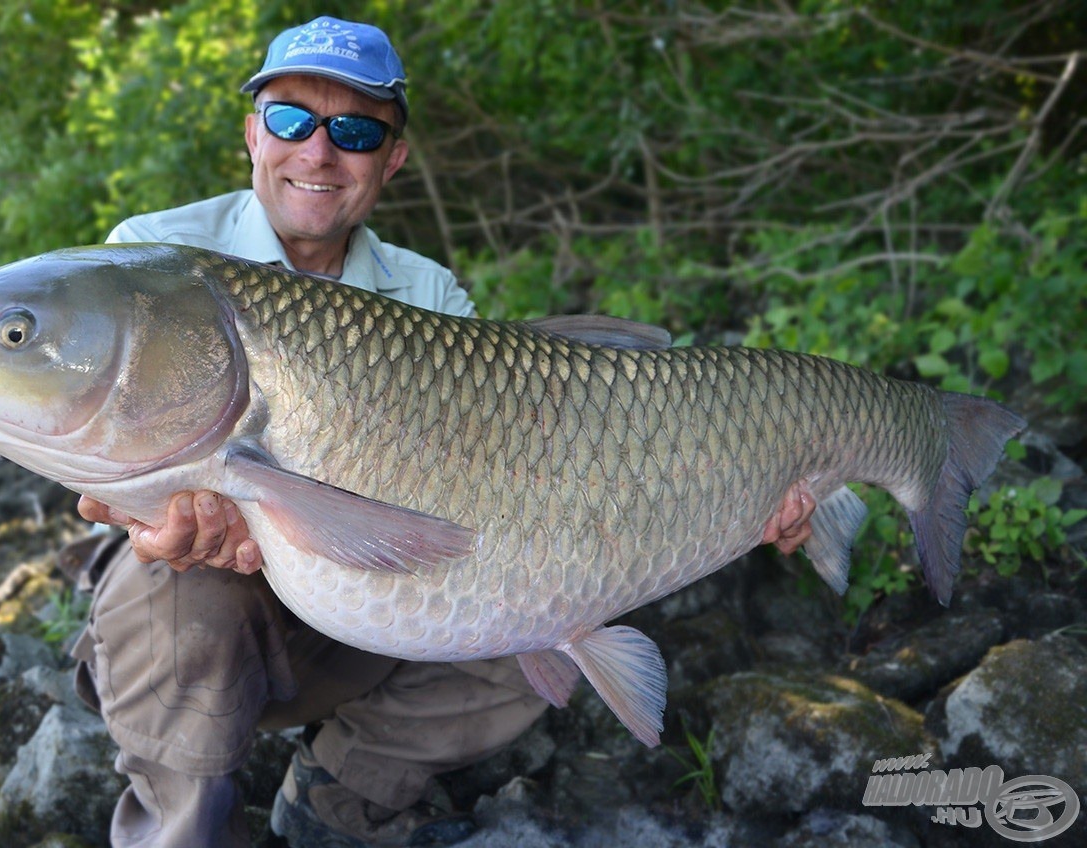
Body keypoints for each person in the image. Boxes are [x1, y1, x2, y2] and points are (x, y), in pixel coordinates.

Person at [71, 16, 816, 848]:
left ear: (392, 158)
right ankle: (183, 830)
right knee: (171, 585)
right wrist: (137, 511)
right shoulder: (151, 256)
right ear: (253, 132)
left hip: (377, 587)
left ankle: (332, 796)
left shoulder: (425, 291)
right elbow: (97, 453)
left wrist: (749, 487)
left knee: (541, 614)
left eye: (354, 131)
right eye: (291, 119)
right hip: (228, 589)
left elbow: (544, 470)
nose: (318, 152)